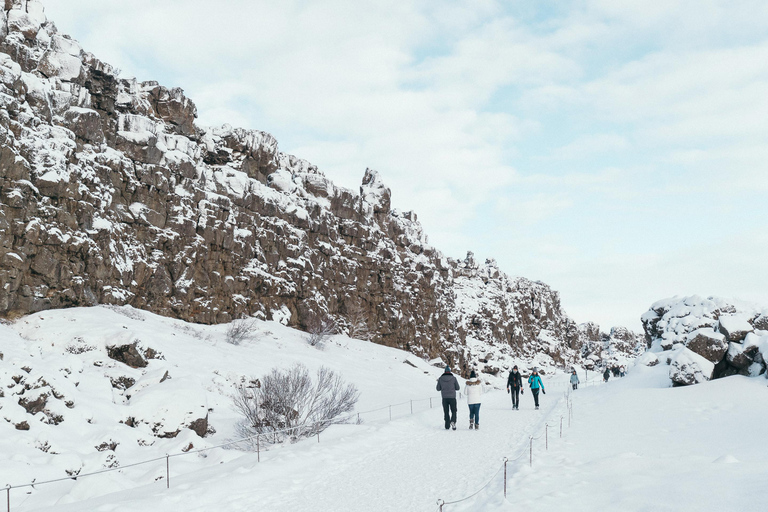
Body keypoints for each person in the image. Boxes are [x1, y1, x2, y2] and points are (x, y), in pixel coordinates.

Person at [436, 366, 460, 430]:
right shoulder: (454, 378)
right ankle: (453, 421)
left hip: (444, 398)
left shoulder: (440, 379)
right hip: (452, 397)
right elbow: (457, 388)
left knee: (446, 411)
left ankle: (447, 425)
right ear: (450, 371)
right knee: (454, 410)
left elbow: (438, 389)